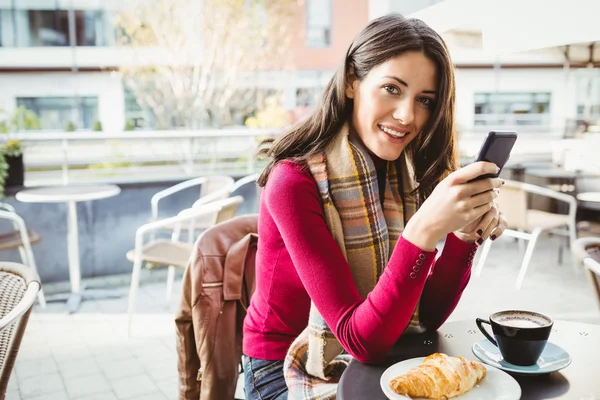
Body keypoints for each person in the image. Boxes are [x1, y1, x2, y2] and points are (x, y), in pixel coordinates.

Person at [242, 13, 507, 400]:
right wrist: (423, 233)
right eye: (392, 89)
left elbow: (423, 317)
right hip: (284, 367)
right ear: (352, 81)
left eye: (425, 100)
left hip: (377, 355)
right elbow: (357, 339)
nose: (407, 116)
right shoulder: (292, 181)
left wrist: (463, 237)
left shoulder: (404, 172)